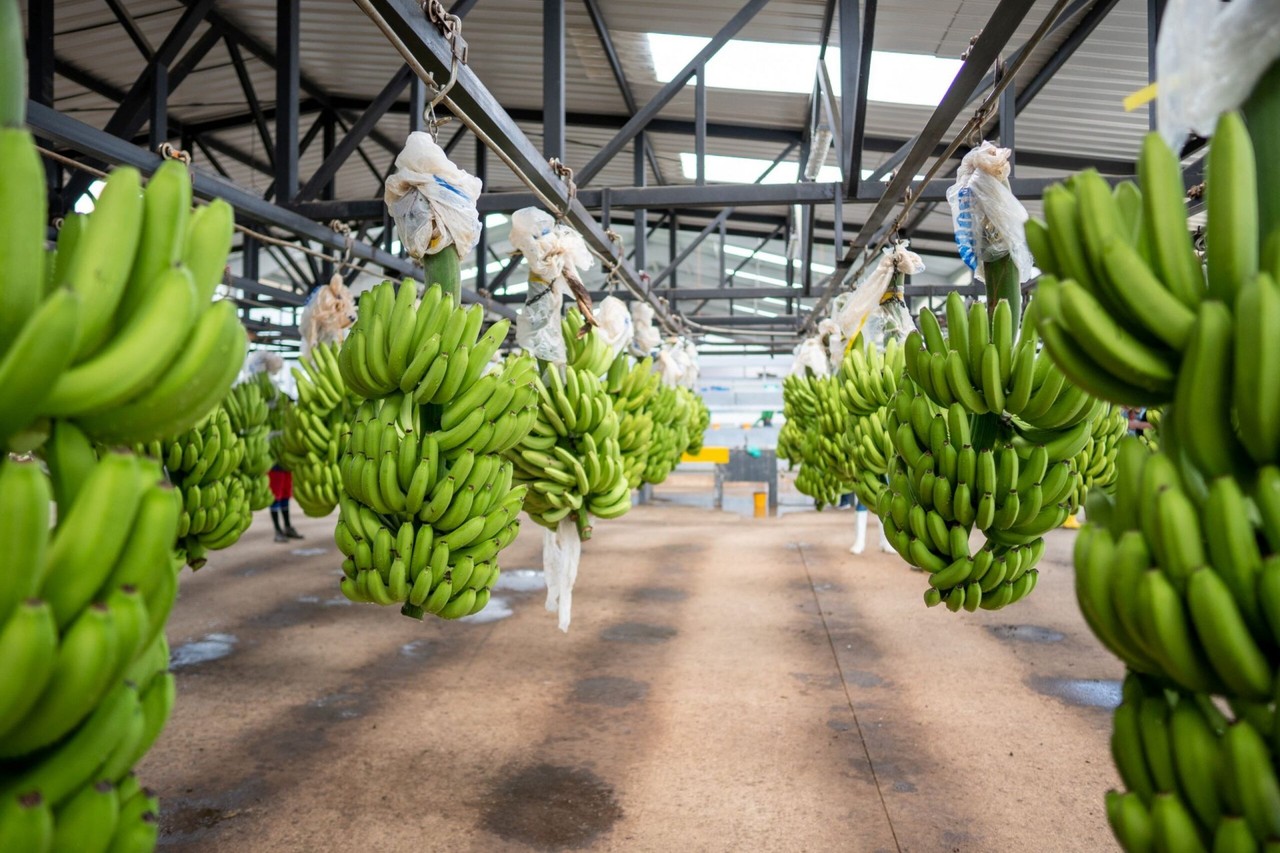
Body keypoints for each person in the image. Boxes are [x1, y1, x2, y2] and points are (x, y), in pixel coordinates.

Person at [268, 464, 303, 543]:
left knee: (285, 496)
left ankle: (287, 527)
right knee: (275, 497)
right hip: (274, 468)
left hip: (286, 467)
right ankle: (277, 530)